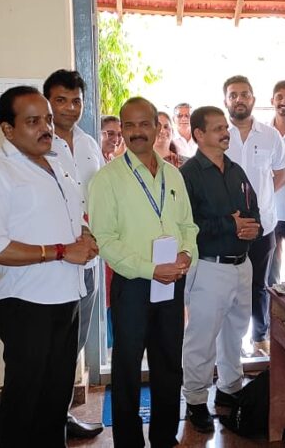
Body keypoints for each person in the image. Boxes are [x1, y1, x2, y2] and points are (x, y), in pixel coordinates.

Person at [0, 86, 98, 447]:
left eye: (47, 120)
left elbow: (69, 218)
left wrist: (84, 235)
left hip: (67, 298)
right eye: (33, 121)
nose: (46, 128)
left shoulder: (57, 163)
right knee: (24, 402)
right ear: (8, 129)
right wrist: (61, 251)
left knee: (56, 400)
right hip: (26, 304)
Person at [88, 96, 198, 448]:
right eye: (129, 125)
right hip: (133, 285)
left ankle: (165, 436)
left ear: (157, 127)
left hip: (171, 284)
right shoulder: (107, 180)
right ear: (121, 129)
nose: (137, 132)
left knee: (169, 364)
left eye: (144, 124)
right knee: (127, 369)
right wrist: (151, 269)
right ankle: (129, 441)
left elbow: (188, 226)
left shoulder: (173, 175)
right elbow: (105, 241)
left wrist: (187, 254)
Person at [179, 106, 262, 433]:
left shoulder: (236, 170)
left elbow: (253, 209)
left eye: (225, 127)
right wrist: (230, 224)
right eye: (217, 129)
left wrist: (253, 228)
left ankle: (229, 388)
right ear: (199, 135)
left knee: (235, 332)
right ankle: (196, 400)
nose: (226, 133)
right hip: (209, 267)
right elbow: (186, 225)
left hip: (242, 265)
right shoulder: (188, 174)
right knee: (201, 337)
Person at [42, 69, 106, 439]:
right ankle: (46, 423)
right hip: (55, 263)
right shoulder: (37, 143)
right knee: (51, 347)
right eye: (61, 100)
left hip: (89, 262)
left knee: (75, 344)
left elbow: (99, 195)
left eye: (76, 100)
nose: (70, 108)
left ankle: (61, 416)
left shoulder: (89, 143)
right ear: (48, 102)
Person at [223, 75, 285, 355]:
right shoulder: (219, 135)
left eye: (244, 94)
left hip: (264, 225)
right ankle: (230, 342)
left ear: (253, 99)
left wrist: (260, 199)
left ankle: (260, 338)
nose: (239, 99)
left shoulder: (270, 136)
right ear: (226, 100)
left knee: (259, 285)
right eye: (233, 95)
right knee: (228, 286)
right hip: (228, 226)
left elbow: (281, 172)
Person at [269, 80, 285, 286]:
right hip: (272, 213)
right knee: (271, 271)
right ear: (272, 101)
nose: (284, 101)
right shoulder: (265, 135)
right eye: (280, 97)